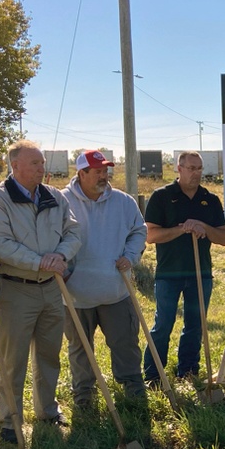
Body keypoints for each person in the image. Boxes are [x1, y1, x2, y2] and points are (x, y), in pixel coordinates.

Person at [0, 140, 81, 443]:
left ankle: (47, 411)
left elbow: (73, 231)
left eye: (42, 162)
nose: (42, 168)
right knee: (13, 359)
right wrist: (40, 261)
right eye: (35, 163)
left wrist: (60, 256)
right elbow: (0, 244)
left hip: (52, 287)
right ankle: (10, 422)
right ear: (16, 166)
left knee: (50, 354)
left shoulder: (54, 196)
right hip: (16, 289)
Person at [62, 150, 148, 408]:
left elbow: (138, 231)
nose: (104, 175)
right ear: (82, 173)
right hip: (75, 294)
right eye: (97, 171)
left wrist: (130, 256)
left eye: (106, 170)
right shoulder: (61, 202)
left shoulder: (123, 202)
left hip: (115, 289)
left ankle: (132, 385)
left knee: (125, 342)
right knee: (80, 349)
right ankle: (84, 393)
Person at [142, 151, 225, 384]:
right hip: (169, 273)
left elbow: (223, 237)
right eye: (191, 168)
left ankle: (188, 372)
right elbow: (151, 235)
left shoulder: (210, 199)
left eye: (199, 168)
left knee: (195, 325)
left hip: (200, 272)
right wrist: (182, 228)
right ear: (178, 169)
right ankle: (153, 375)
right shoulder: (161, 196)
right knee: (163, 324)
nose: (196, 173)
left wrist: (202, 226)